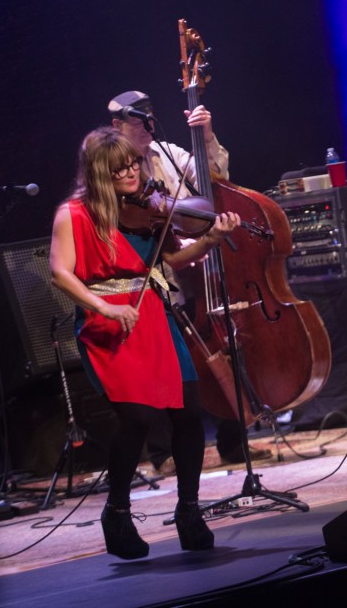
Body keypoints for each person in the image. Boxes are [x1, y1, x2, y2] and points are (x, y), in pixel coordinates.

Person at [49, 127, 240, 559]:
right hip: (109, 322)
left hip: (153, 313)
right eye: (121, 169)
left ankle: (189, 511)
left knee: (189, 413)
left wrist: (210, 237)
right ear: (101, 173)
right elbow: (61, 272)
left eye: (134, 164)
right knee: (134, 418)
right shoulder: (73, 214)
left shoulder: (147, 209)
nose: (133, 172)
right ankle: (117, 512)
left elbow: (171, 258)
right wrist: (106, 308)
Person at [107, 91, 271, 470]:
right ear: (117, 126)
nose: (148, 128)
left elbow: (215, 185)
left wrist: (207, 136)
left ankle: (234, 444)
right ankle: (162, 453)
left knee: (228, 341)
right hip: (155, 273)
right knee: (163, 362)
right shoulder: (112, 167)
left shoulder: (167, 153)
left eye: (150, 120)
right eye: (137, 123)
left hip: (198, 266)